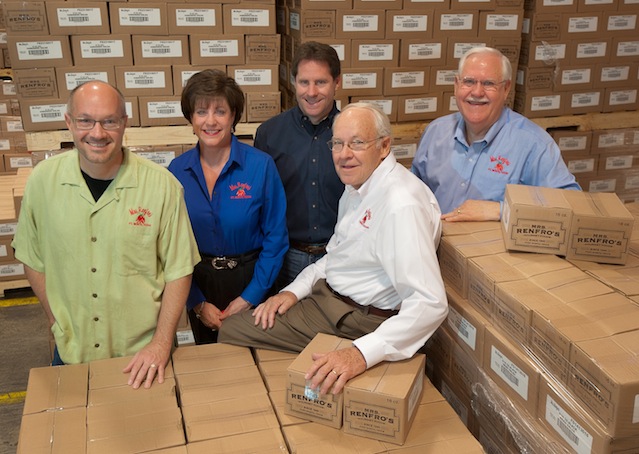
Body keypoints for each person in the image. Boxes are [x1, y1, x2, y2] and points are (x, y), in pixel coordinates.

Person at [219, 102, 448, 395]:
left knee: (231, 330)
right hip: (327, 299)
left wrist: (360, 354)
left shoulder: (400, 205)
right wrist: (293, 290)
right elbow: (337, 256)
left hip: (357, 319)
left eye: (357, 143)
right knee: (239, 327)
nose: (343, 155)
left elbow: (430, 303)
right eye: (337, 143)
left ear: (384, 146)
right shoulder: (358, 186)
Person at [12, 80, 200, 389]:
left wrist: (161, 343)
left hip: (142, 359)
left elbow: (179, 271)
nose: (97, 133)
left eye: (109, 121)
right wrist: (56, 319)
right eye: (85, 120)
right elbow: (32, 257)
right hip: (73, 352)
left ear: (124, 123)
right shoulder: (43, 182)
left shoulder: (161, 186)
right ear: (69, 122)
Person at [168, 69, 288, 345]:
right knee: (210, 369)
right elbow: (171, 245)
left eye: (220, 111)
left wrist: (250, 297)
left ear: (234, 116)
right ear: (191, 118)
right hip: (199, 283)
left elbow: (276, 238)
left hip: (253, 281)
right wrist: (196, 301)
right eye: (201, 112)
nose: (210, 121)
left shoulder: (260, 166)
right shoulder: (176, 171)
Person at [411, 46, 581, 222]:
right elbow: (412, 191)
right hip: (434, 246)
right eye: (469, 82)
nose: (477, 92)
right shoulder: (436, 132)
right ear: (456, 85)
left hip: (490, 248)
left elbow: (572, 204)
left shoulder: (534, 144)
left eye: (488, 83)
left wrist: (500, 210)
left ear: (506, 89)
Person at [253, 41, 344, 289]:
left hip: (341, 258)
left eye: (321, 82)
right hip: (286, 260)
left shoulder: (354, 134)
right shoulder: (269, 134)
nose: (311, 92)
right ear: (294, 82)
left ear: (337, 82)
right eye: (304, 82)